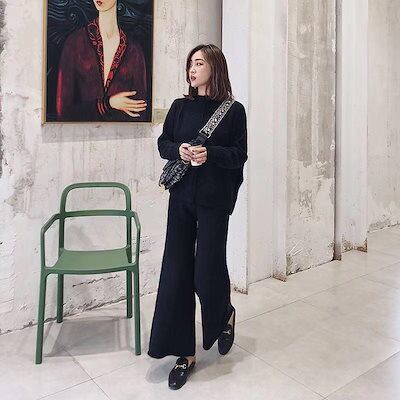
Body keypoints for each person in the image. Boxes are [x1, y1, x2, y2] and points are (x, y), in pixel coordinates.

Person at [147, 43, 248, 390]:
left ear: (214, 67)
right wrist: (179, 149)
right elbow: (164, 143)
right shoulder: (180, 107)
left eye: (199, 63)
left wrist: (210, 154)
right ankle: (184, 354)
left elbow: (239, 155)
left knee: (207, 270)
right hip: (181, 199)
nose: (192, 69)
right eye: (190, 63)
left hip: (213, 201)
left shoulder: (234, 111)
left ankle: (224, 314)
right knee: (176, 272)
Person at [56, 0, 148, 121]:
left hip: (123, 132)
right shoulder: (74, 43)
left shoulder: (134, 51)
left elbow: (141, 111)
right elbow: (63, 112)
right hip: (78, 132)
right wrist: (108, 104)